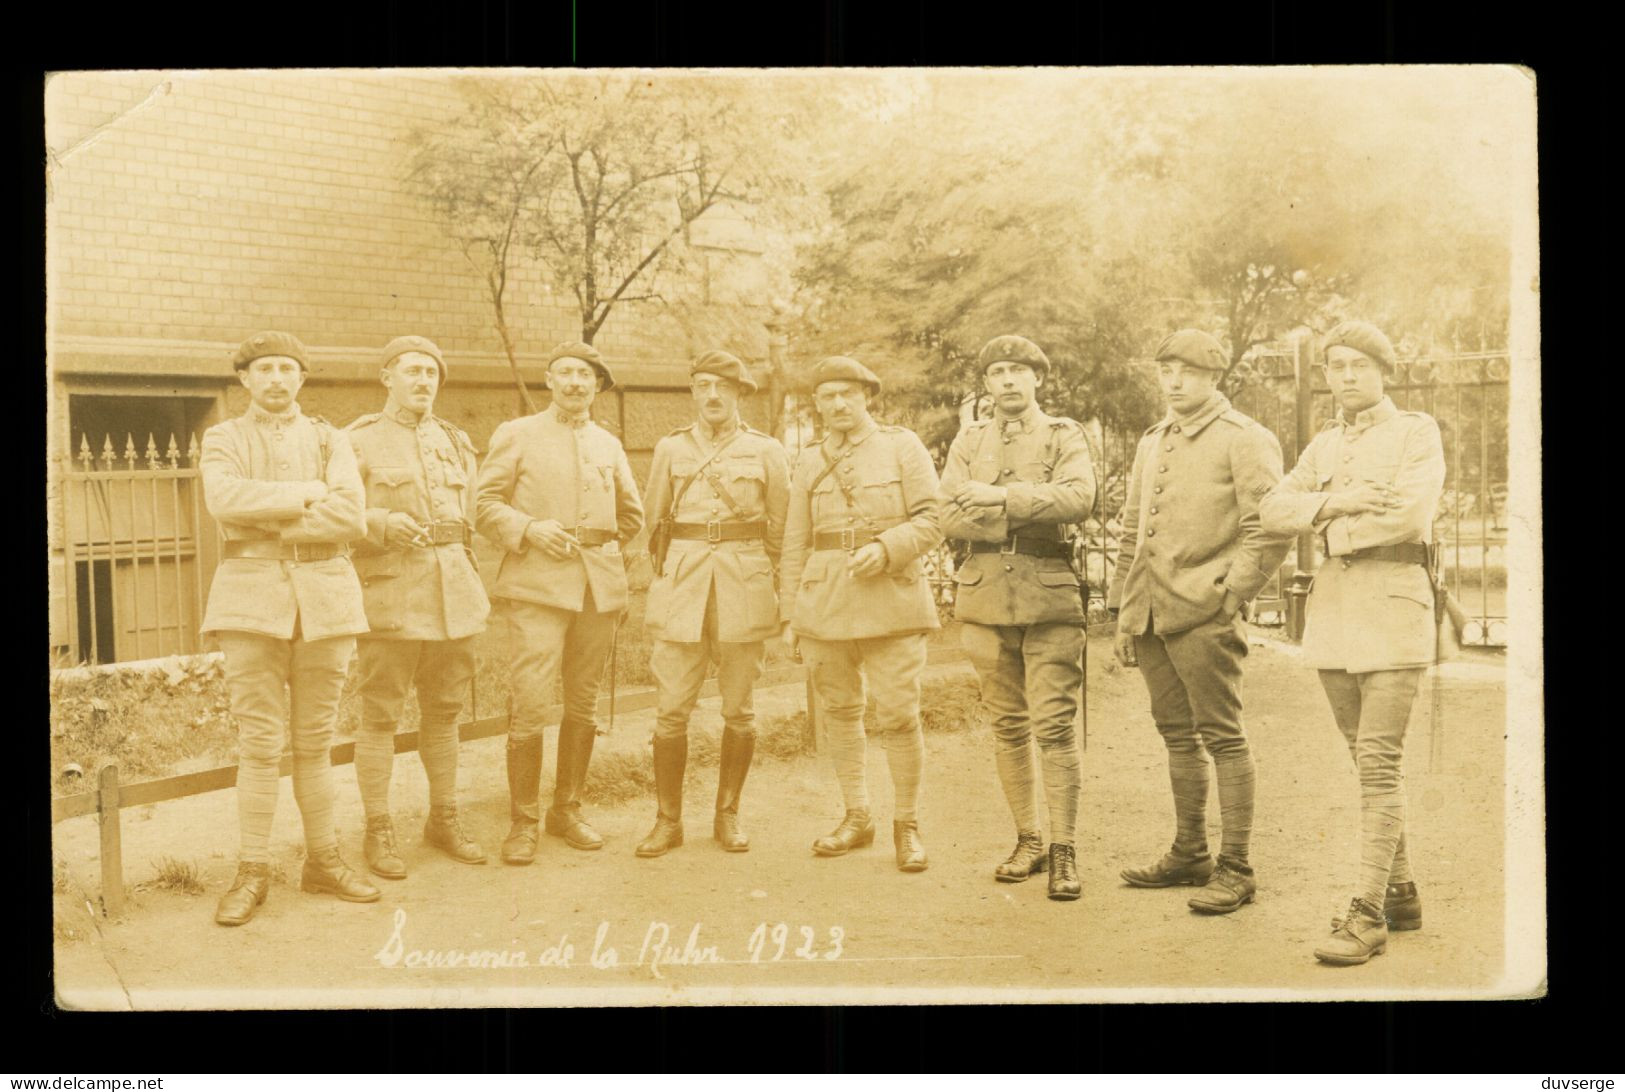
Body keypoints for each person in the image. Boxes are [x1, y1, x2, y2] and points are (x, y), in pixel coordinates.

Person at [1259, 320, 1452, 966]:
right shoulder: (1322, 446)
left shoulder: (1415, 432)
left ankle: (1366, 914)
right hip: (1336, 612)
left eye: (1358, 365)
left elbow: (1407, 514)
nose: (1345, 376)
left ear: (1382, 371)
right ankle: (1399, 892)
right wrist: (1338, 502)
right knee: (1361, 757)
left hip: (1394, 604)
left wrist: (1325, 514)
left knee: (1376, 762)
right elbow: (1270, 510)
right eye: (1334, 366)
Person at [1108, 329, 1291, 915]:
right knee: (1174, 734)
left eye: (1188, 371)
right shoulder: (1152, 441)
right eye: (1166, 370)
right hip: (1153, 614)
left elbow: (1271, 528)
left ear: (1214, 377)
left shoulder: (1246, 439)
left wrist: (1230, 595)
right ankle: (1190, 853)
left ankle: (1236, 867)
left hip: (1205, 613)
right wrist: (1122, 611)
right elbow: (1133, 530)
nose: (1175, 381)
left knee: (1224, 736)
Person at [200, 331, 378, 926]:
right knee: (258, 744)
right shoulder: (223, 436)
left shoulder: (331, 439)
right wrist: (306, 494)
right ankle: (253, 870)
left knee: (316, 742)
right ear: (245, 379)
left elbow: (351, 514)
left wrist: (271, 522)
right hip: (249, 603)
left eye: (287, 369)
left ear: (301, 378)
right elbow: (224, 499)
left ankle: (324, 861)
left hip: (326, 601)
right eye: (263, 369)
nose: (276, 379)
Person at [939, 335, 1096, 900]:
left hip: (1048, 596)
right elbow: (946, 513)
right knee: (1007, 724)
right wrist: (1019, 513)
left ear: (1037, 379)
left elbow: (1079, 498)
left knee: (1053, 725)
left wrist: (999, 501)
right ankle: (1028, 838)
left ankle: (1064, 848)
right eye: (997, 371)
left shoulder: (1063, 434)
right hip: (983, 599)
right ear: (986, 383)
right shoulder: (969, 438)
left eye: (1019, 371)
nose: (1007, 380)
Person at [474, 341, 644, 865]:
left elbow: (631, 515)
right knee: (529, 700)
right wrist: (529, 528)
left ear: (597, 386)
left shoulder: (608, 444)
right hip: (537, 588)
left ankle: (566, 809)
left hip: (597, 590)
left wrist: (602, 548)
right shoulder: (517, 434)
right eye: (565, 373)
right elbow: (482, 505)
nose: (574, 383)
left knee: (584, 702)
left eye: (585, 375)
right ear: (549, 381)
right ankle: (523, 820)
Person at [779, 356, 944, 872]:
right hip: (825, 604)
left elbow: (934, 519)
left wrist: (890, 546)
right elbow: (794, 542)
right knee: (840, 712)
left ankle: (908, 823)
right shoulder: (807, 459)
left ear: (867, 396)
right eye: (827, 396)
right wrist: (790, 615)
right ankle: (857, 815)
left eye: (848, 393)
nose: (838, 404)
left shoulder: (902, 446)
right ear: (818, 404)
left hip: (891, 600)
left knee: (898, 713)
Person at [344, 336, 491, 879]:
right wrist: (379, 524)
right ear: (387, 378)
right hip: (391, 594)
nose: (423, 381)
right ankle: (378, 828)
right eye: (412, 371)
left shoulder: (454, 440)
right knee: (380, 713)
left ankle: (444, 818)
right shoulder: (356, 441)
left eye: (431, 372)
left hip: (454, 593)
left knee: (445, 710)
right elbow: (335, 516)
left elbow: (472, 516)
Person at [636, 351, 790, 857]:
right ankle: (667, 821)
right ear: (693, 391)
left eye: (722, 386)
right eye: (702, 385)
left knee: (740, 710)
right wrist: (654, 588)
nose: (712, 396)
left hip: (742, 588)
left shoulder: (766, 451)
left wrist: (778, 593)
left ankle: (728, 815)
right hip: (682, 589)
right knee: (670, 711)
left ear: (740, 393)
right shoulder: (670, 448)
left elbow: (782, 531)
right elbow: (654, 525)